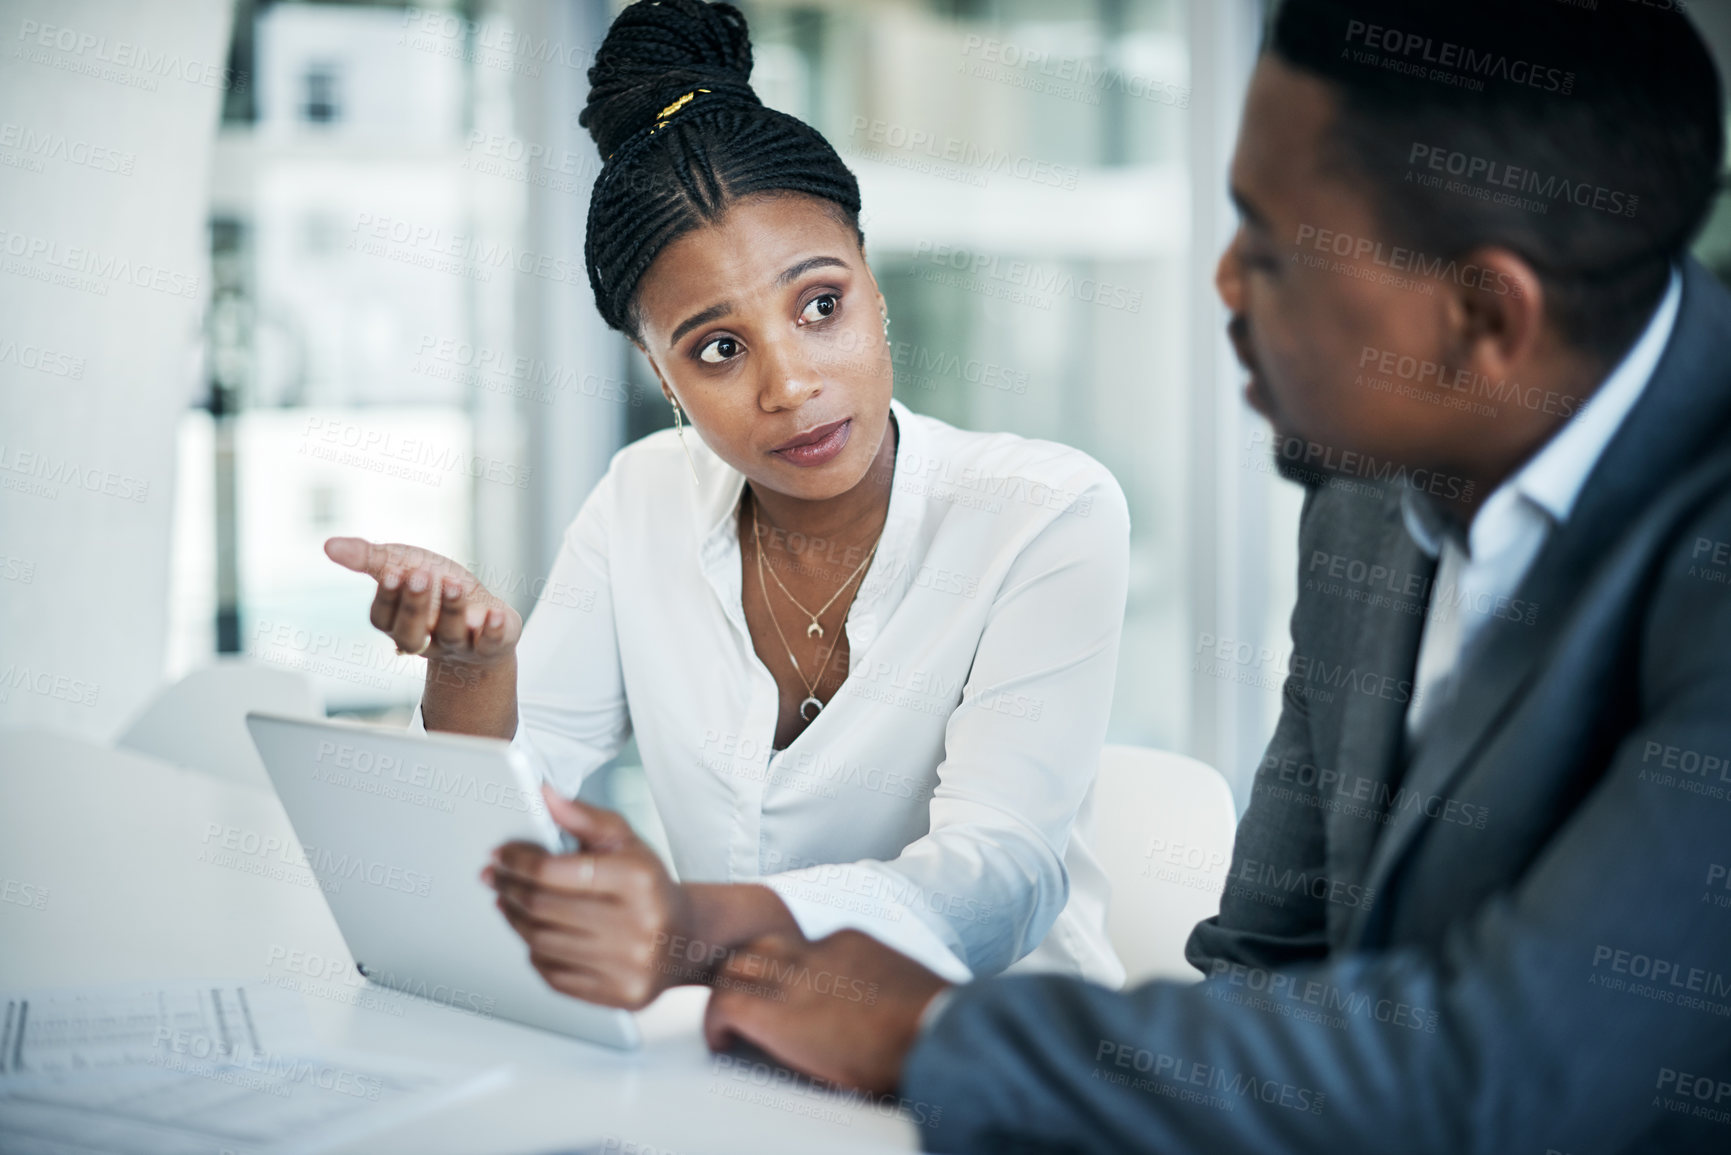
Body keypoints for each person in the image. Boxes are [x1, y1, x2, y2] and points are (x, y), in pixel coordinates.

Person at [698, 1, 1731, 1151]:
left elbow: (1508, 1079)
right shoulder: (1368, 497)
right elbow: (1265, 968)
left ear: (1485, 317)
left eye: (1271, 249)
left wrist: (936, 1033)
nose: (1227, 286)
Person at [324, 0, 1132, 1012]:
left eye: (821, 305)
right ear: (658, 371)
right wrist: (471, 669)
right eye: (718, 347)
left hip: (998, 1071)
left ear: (873, 286)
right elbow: (504, 848)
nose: (790, 384)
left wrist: (689, 932)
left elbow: (997, 886)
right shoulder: (641, 500)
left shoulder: (1043, 512)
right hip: (730, 1064)